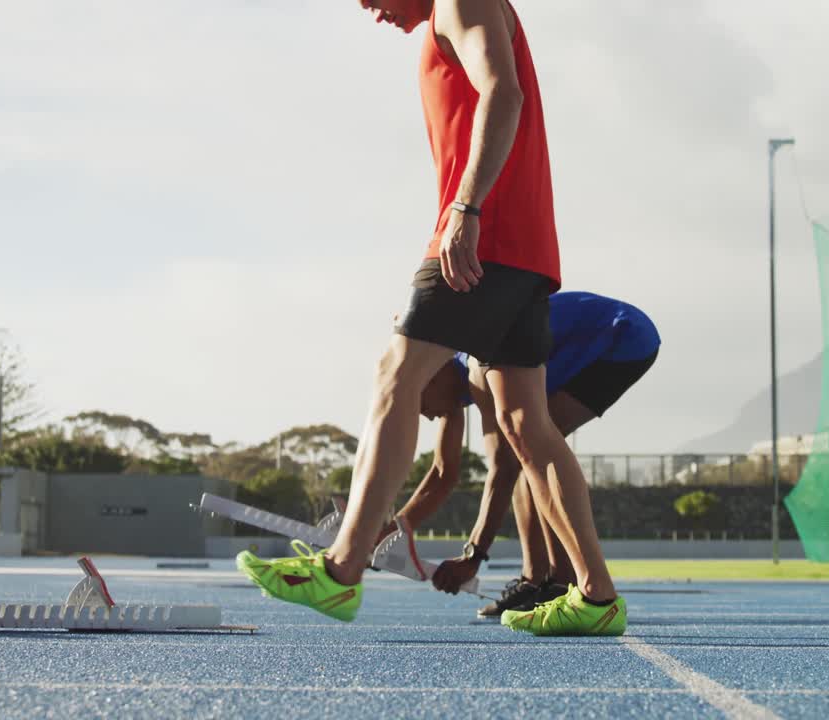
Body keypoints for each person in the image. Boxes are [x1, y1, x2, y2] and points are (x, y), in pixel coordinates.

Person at [238, 0, 626, 636]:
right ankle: (596, 595)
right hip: (524, 250)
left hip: (484, 240)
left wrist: (465, 209)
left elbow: (503, 92)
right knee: (526, 424)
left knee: (397, 374)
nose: (369, 9)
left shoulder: (460, 1)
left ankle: (341, 570)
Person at [396, 291, 659, 618]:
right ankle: (539, 579)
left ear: (433, 376)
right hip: (608, 336)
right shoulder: (454, 392)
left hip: (622, 335)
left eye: (418, 402)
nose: (423, 415)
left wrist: (473, 556)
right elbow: (442, 473)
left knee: (532, 450)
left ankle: (558, 581)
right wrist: (395, 529)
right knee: (529, 451)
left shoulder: (478, 369)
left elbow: (502, 469)